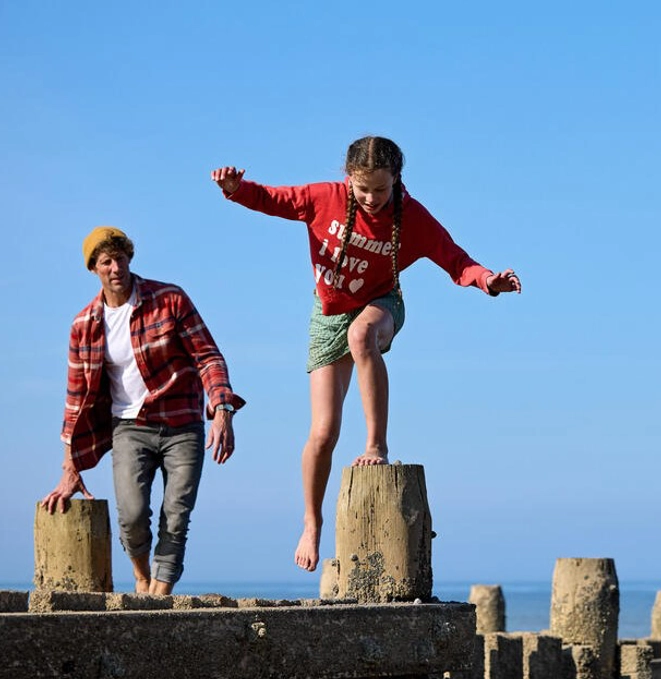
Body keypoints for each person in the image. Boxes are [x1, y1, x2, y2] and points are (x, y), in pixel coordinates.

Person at [211, 135, 521, 573]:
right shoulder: (324, 198)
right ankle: (312, 522)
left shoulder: (411, 218)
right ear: (348, 179)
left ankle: (376, 443)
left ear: (397, 180)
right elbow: (271, 199)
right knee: (323, 433)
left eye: (381, 188)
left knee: (363, 336)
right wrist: (235, 189)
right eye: (363, 189)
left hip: (382, 305)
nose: (373, 198)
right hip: (328, 313)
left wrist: (488, 280)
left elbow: (456, 260)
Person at [41, 226, 245, 594]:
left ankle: (159, 597)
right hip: (129, 427)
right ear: (94, 269)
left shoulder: (170, 299)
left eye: (120, 258)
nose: (115, 267)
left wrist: (222, 409)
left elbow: (208, 356)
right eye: (106, 262)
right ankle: (141, 576)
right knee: (132, 516)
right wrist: (69, 468)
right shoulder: (83, 326)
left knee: (176, 514)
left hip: (182, 423)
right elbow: (76, 399)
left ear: (129, 259)